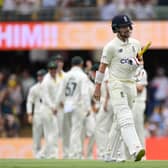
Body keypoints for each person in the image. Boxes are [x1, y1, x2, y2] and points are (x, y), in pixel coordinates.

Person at [94, 14, 145, 161]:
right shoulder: (110, 47)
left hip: (130, 85)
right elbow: (102, 69)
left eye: (129, 26)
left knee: (118, 122)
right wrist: (97, 87)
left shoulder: (136, 44)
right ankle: (136, 149)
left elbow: (141, 64)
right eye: (124, 27)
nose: (128, 29)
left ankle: (109, 154)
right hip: (116, 84)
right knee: (125, 117)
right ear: (116, 29)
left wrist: (136, 65)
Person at [56, 56, 91, 159]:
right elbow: (84, 93)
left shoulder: (66, 75)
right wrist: (87, 107)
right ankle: (75, 153)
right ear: (81, 64)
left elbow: (60, 91)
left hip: (67, 104)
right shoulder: (82, 76)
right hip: (77, 104)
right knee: (76, 129)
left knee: (68, 130)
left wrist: (56, 105)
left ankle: (70, 152)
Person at [40, 62, 59, 158]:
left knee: (54, 132)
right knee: (50, 132)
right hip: (47, 109)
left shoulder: (56, 78)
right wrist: (52, 107)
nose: (53, 71)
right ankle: (48, 154)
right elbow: (46, 96)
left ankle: (46, 153)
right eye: (51, 69)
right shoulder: (46, 81)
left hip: (53, 109)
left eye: (54, 69)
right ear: (49, 70)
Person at [26, 69, 46, 158]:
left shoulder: (50, 86)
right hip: (37, 114)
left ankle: (45, 154)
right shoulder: (34, 88)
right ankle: (36, 155)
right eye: (38, 76)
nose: (40, 78)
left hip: (48, 114)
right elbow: (29, 101)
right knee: (36, 136)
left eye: (42, 76)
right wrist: (29, 114)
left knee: (49, 136)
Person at [133, 67, 148, 147]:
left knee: (138, 128)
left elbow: (140, 88)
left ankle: (142, 155)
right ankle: (129, 155)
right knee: (128, 129)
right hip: (129, 102)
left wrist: (128, 84)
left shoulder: (141, 71)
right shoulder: (128, 70)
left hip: (138, 102)